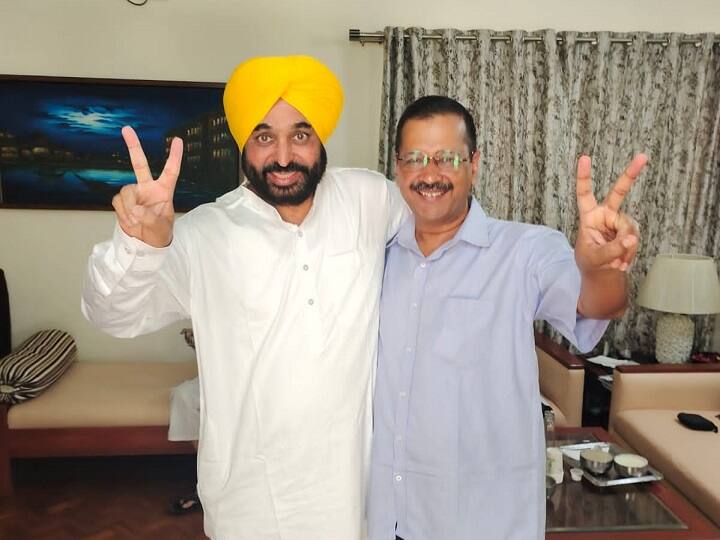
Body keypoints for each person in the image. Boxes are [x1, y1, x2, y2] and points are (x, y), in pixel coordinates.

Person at [81, 55, 407, 539]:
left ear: (321, 138)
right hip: (250, 505)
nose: (283, 156)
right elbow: (112, 315)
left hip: (353, 499)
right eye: (263, 136)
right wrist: (139, 244)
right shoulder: (203, 234)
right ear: (242, 144)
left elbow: (439, 242)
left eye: (300, 134)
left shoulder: (369, 199)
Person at [368, 96, 645, 540]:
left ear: (474, 165)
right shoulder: (376, 257)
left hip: (482, 522)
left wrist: (601, 267)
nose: (430, 173)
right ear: (398, 167)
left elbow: (596, 304)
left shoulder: (525, 251)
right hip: (391, 517)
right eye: (415, 158)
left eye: (447, 158)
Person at [167, 328, 201, 516]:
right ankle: (206, 479)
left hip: (248, 379)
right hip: (215, 377)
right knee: (182, 395)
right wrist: (197, 342)